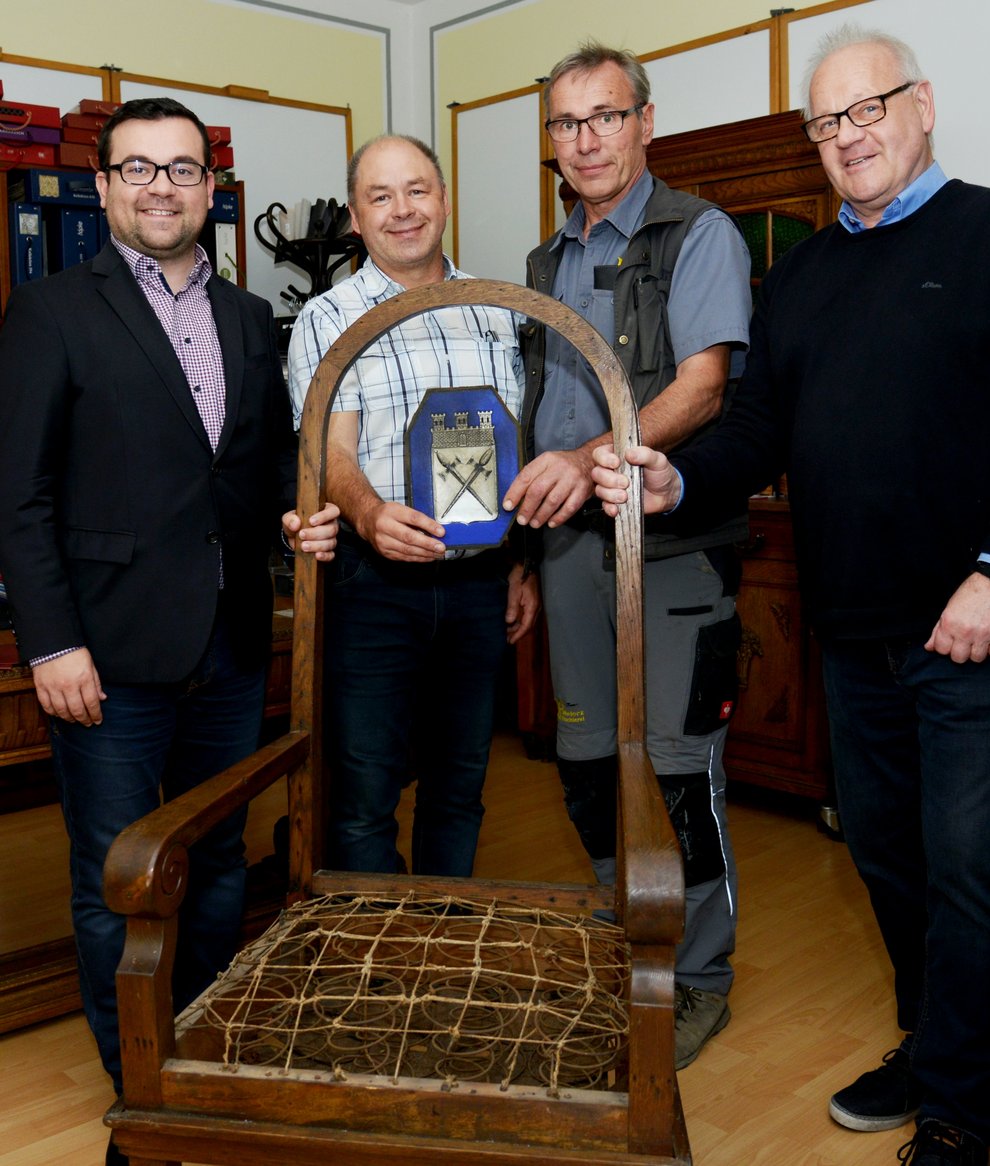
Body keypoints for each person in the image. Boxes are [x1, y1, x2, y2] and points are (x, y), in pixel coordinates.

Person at [593, 23, 990, 1166]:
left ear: (922, 104)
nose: (848, 135)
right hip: (852, 633)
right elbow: (755, 432)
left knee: (969, 868)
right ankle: (934, 1043)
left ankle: (958, 1105)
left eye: (867, 108)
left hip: (976, 629)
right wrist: (677, 476)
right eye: (827, 121)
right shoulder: (798, 278)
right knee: (887, 859)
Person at [0, 97, 338, 1166]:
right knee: (118, 881)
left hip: (230, 644)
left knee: (220, 862)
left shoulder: (247, 315)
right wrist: (51, 644)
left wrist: (295, 515)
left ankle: (199, 1055)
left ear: (210, 188)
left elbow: (255, 465)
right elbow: (19, 497)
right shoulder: (50, 311)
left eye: (183, 168)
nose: (161, 187)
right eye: (138, 168)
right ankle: (143, 1092)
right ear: (102, 187)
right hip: (103, 654)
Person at [500, 43, 752, 1068]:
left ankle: (695, 978)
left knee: (676, 777)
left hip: (673, 551)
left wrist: (585, 459)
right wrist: (523, 555)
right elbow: (536, 412)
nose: (586, 139)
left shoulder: (698, 233)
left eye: (606, 116)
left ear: (646, 122)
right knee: (589, 768)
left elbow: (702, 387)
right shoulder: (543, 264)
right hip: (567, 556)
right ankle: (630, 946)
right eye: (566, 123)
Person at [288, 134, 537, 879]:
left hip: (478, 587)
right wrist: (368, 515)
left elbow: (519, 447)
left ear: (445, 200)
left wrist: (518, 565)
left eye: (417, 190)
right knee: (364, 796)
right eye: (381, 196)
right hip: (373, 587)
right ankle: (380, 947)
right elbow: (327, 455)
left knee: (460, 788)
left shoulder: (499, 312)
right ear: (355, 218)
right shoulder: (327, 318)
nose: (403, 210)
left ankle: (445, 935)